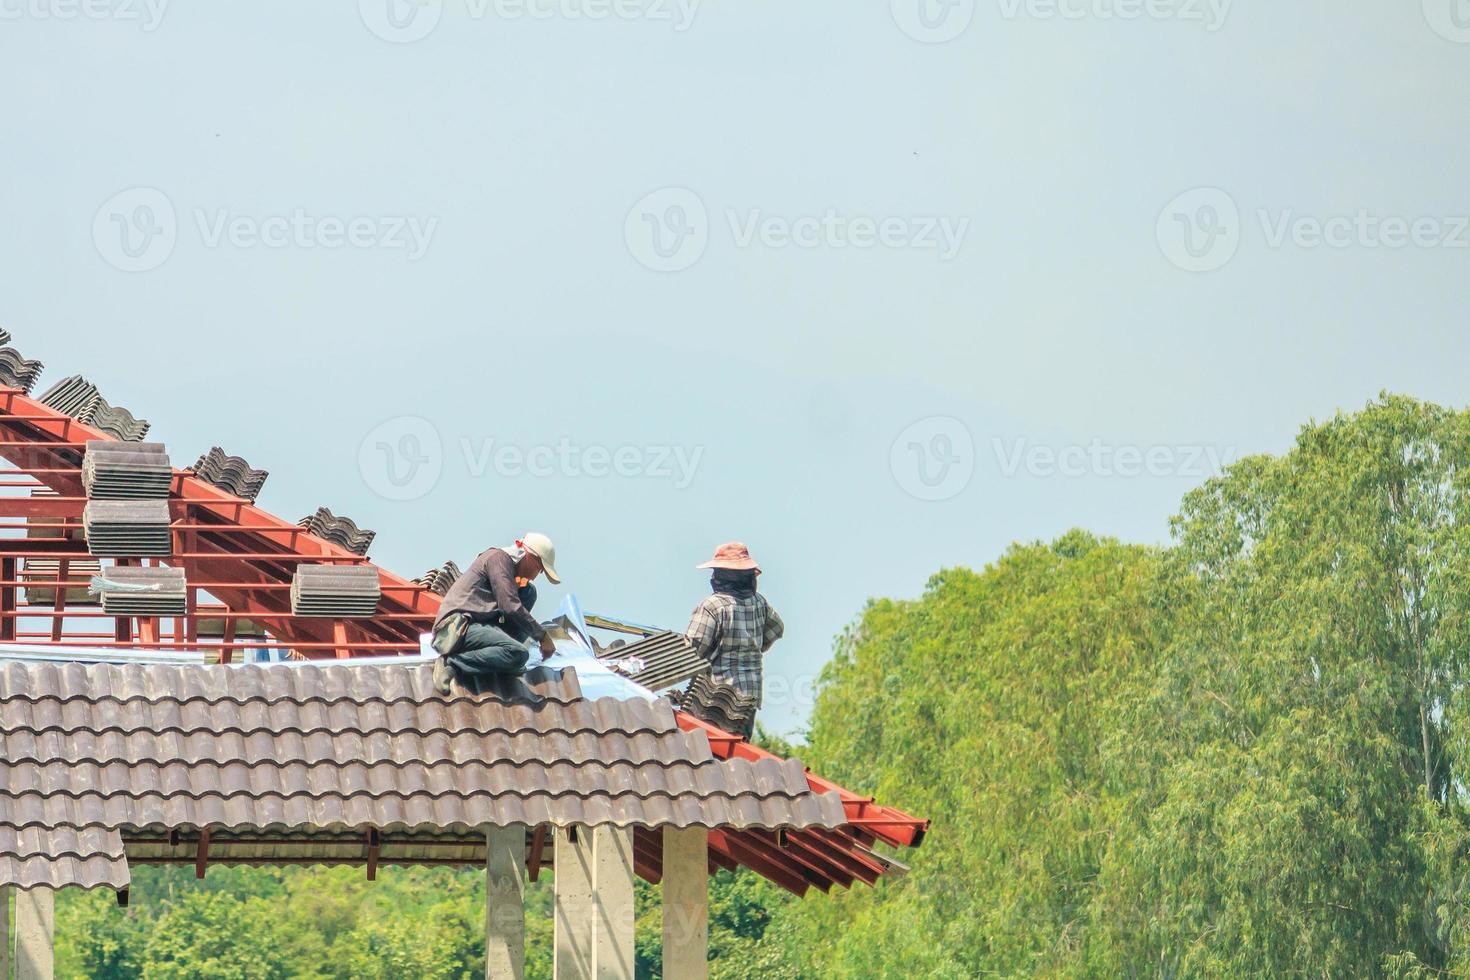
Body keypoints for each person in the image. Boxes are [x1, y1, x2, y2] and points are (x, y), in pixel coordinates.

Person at [431, 532, 562, 694]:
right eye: (539, 569)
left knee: (528, 592)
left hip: (477, 627)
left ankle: (502, 659)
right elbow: (508, 605)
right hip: (456, 628)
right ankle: (451, 663)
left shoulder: (509, 570)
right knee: (518, 654)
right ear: (530, 557)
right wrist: (542, 636)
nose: (536, 576)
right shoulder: (498, 559)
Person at [683, 541, 784, 738]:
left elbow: (692, 652)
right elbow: (777, 627)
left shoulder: (712, 606)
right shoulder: (759, 602)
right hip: (749, 696)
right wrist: (754, 648)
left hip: (715, 697)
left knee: (708, 754)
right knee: (737, 756)